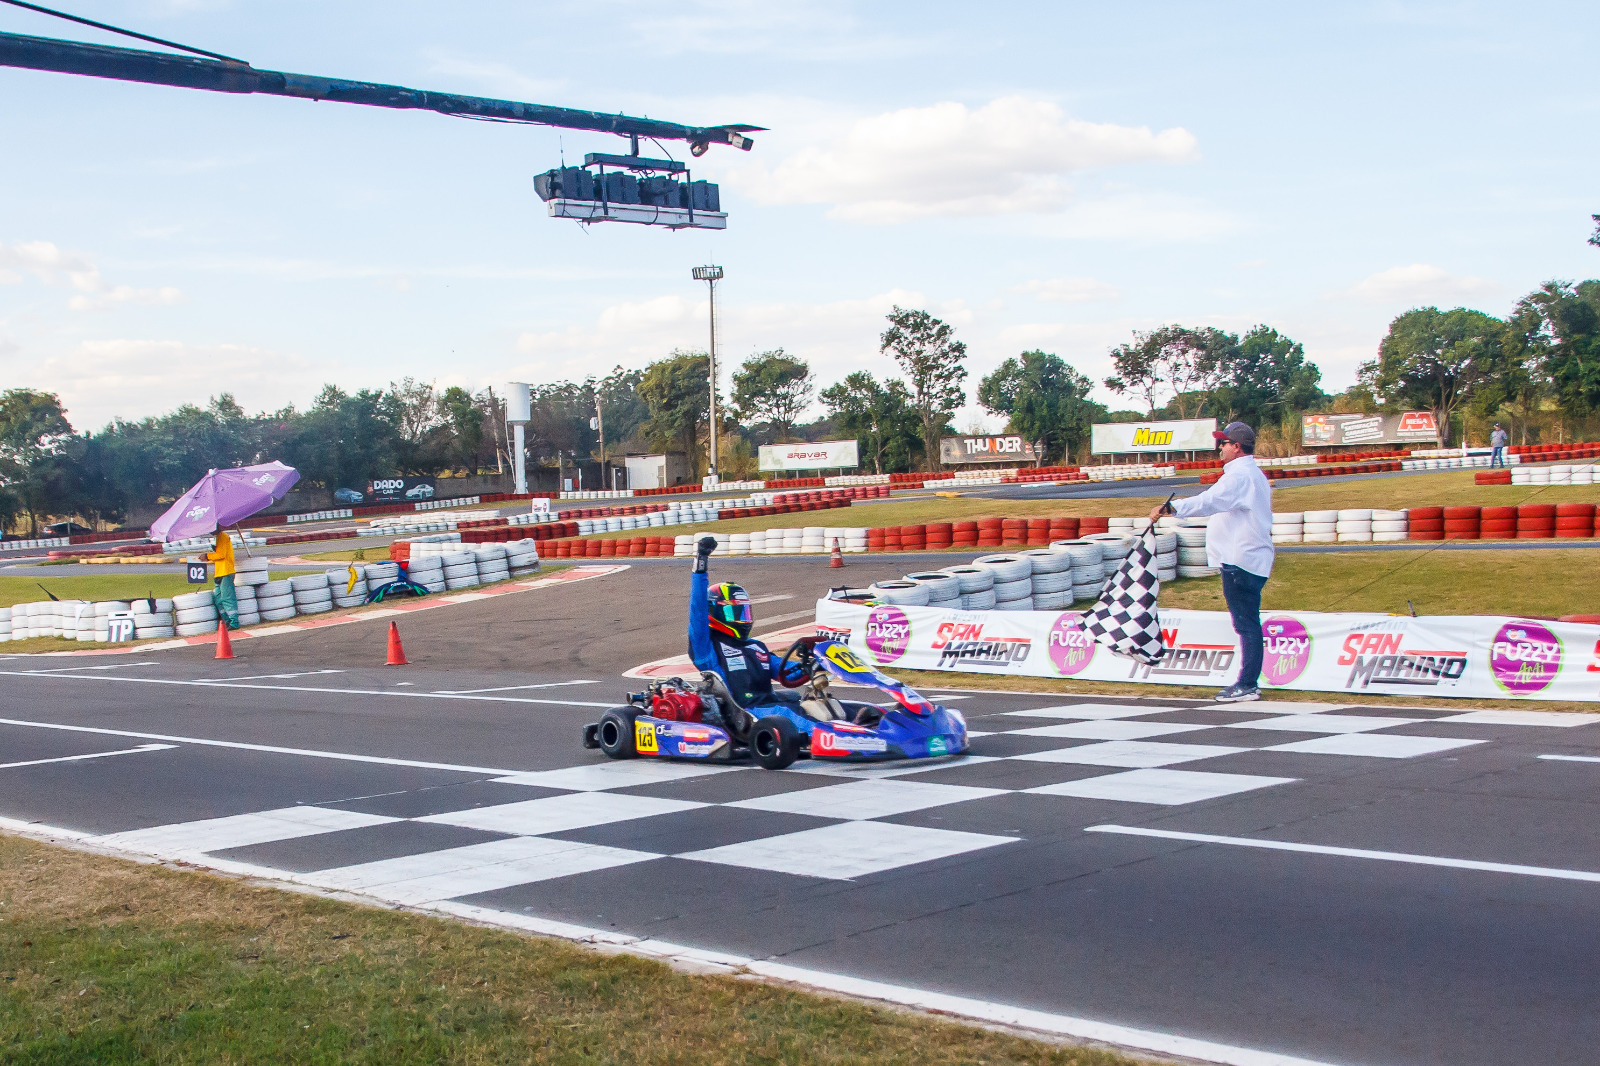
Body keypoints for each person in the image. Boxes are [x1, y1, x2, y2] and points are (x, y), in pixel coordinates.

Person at [1149, 421, 1273, 702]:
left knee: (1246, 624)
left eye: (1224, 443)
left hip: (1241, 560)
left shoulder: (1239, 476)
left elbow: (1210, 501)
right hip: (1246, 558)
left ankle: (1248, 684)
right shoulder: (1250, 474)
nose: (1220, 448)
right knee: (1247, 623)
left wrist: (1173, 507)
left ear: (1237, 447)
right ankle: (1248, 682)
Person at [687, 536, 808, 713]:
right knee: (793, 716)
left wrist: (812, 665)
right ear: (715, 613)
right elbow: (698, 611)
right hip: (745, 714)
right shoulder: (708, 649)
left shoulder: (756, 647)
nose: (741, 618)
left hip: (774, 711)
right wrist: (701, 563)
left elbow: (785, 671)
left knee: (828, 707)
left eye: (743, 612)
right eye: (734, 612)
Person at [202, 529, 239, 629]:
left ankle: (234, 622)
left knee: (227, 598)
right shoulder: (218, 538)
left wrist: (207, 556)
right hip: (219, 572)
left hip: (226, 572)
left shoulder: (222, 536)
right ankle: (226, 621)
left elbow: (221, 555)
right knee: (218, 599)